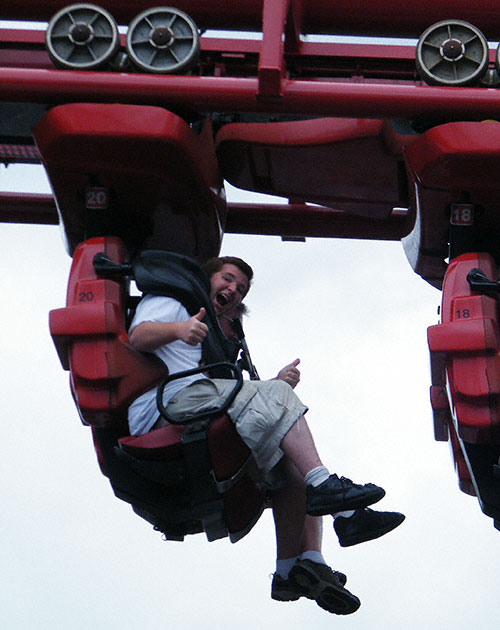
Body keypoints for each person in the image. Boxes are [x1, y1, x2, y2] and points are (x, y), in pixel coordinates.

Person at [128, 256, 403, 614]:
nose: (232, 289)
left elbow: (240, 398)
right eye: (227, 279)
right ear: (207, 278)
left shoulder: (218, 332)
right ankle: (334, 497)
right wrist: (179, 330)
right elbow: (138, 336)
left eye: (240, 288)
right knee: (280, 404)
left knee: (289, 465)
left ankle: (297, 565)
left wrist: (274, 386)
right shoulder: (176, 299)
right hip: (165, 404)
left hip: (198, 401)